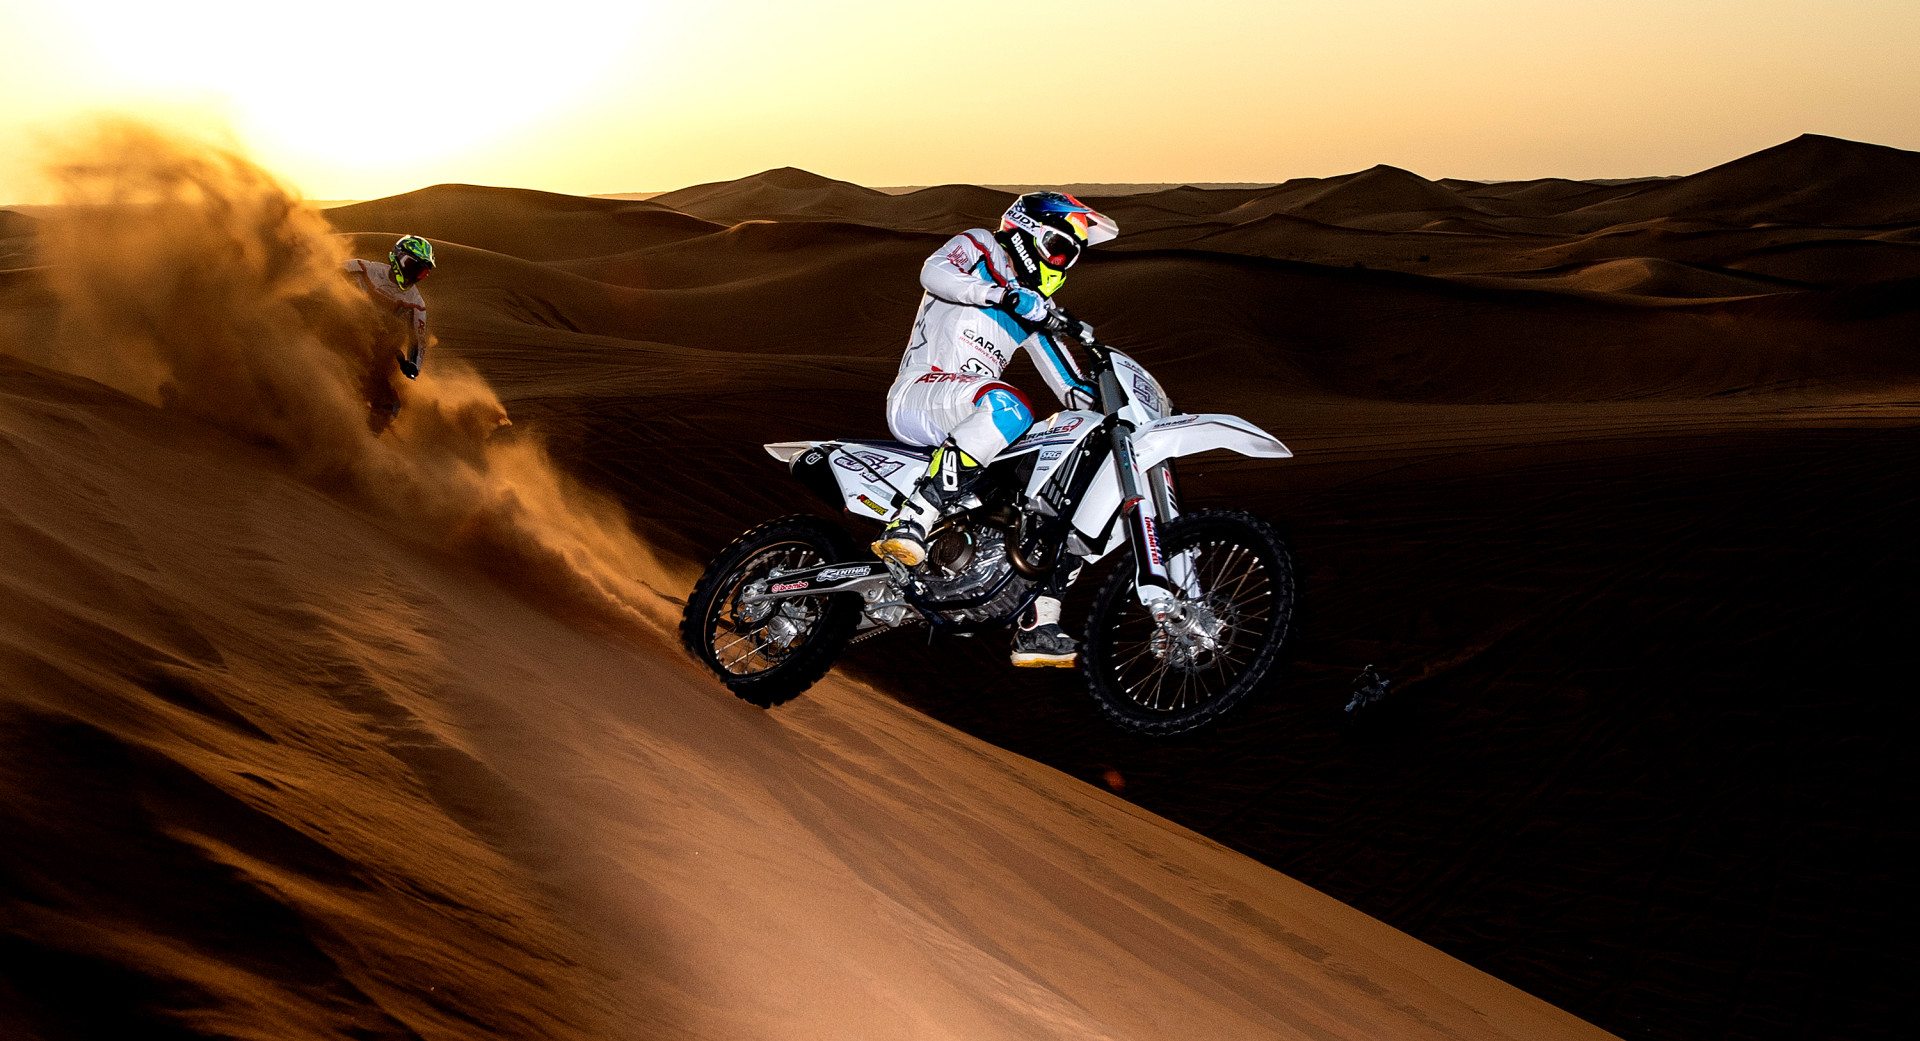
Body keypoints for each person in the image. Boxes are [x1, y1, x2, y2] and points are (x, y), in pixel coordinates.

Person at [873, 191, 1118, 667]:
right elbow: (933, 272)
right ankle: (913, 519)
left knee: (1057, 487)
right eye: (1061, 248)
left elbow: (1070, 387)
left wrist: (1119, 408)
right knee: (1009, 404)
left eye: (1073, 257)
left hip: (969, 414)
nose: (1064, 264)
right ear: (1030, 231)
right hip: (920, 394)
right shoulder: (983, 247)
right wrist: (999, 293)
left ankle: (1036, 621)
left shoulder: (1033, 310)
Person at [344, 234, 435, 429]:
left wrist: (413, 366)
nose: (414, 275)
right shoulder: (364, 269)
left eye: (421, 273)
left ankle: (364, 442)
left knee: (390, 405)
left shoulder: (416, 304)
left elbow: (418, 342)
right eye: (412, 266)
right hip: (338, 329)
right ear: (398, 257)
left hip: (374, 355)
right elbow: (320, 268)